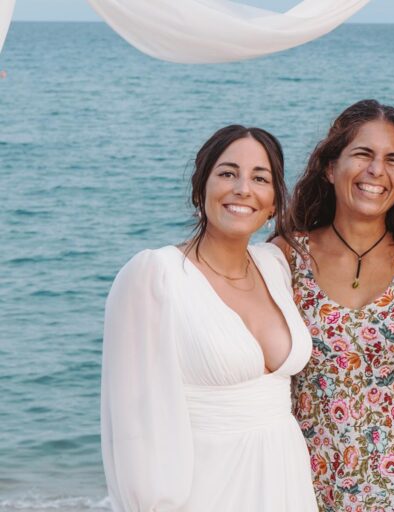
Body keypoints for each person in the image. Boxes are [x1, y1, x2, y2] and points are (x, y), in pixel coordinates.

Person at [101, 125, 317, 511]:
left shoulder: (274, 265)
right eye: (228, 173)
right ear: (200, 189)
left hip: (285, 483)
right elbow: (133, 422)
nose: (242, 189)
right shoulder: (155, 274)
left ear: (273, 204)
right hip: (205, 490)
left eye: (260, 178)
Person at [273, 99, 394, 511]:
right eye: (363, 154)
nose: (377, 171)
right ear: (330, 167)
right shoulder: (287, 256)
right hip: (311, 484)